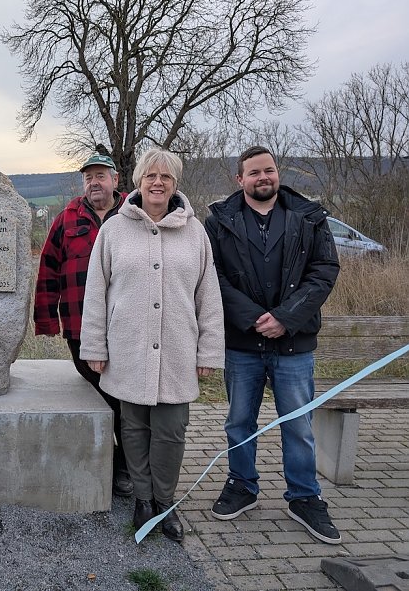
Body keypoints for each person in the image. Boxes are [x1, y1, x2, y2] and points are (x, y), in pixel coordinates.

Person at [80, 148, 224, 542]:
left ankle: (165, 501)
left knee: (171, 431)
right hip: (127, 348)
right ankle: (143, 500)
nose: (157, 183)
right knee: (134, 429)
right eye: (150, 176)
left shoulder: (195, 233)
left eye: (166, 177)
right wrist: (94, 347)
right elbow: (96, 293)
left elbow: (208, 297)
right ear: (138, 182)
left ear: (176, 184)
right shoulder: (113, 230)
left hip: (177, 349)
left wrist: (209, 351)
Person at [204, 146, 342, 544]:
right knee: (238, 422)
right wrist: (252, 318)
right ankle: (242, 486)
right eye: (254, 173)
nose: (263, 178)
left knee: (298, 425)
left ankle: (304, 498)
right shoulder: (219, 222)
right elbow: (213, 276)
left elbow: (324, 270)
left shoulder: (309, 218)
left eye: (269, 170)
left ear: (277, 173)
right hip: (242, 343)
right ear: (240, 179)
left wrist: (286, 317)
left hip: (294, 342)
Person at [33, 153, 134, 497]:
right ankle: (113, 459)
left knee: (124, 397)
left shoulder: (133, 216)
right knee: (105, 393)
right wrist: (46, 321)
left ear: (116, 180)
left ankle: (122, 467)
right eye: (88, 177)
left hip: (126, 327)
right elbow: (48, 271)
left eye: (101, 176)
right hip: (79, 327)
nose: (94, 182)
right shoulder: (66, 220)